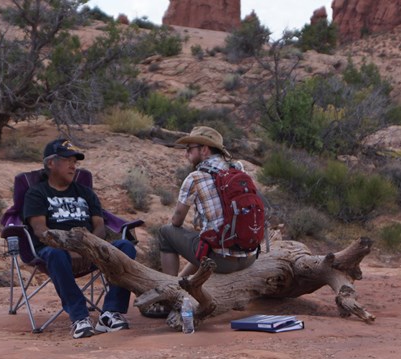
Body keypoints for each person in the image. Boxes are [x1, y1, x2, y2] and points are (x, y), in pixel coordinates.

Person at [23, 139, 136, 339]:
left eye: (75, 161)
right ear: (51, 163)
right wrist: (70, 249)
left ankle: (110, 313)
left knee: (125, 246)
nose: (73, 166)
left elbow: (100, 225)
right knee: (56, 254)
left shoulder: (85, 193)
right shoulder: (36, 193)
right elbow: (41, 230)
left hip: (91, 249)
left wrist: (89, 247)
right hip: (56, 253)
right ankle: (79, 317)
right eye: (68, 160)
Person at [160, 126, 258, 276]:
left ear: (204, 150)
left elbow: (176, 221)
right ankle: (180, 281)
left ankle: (170, 290)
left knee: (166, 232)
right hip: (250, 256)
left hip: (221, 262)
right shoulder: (238, 169)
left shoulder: (195, 177)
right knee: (204, 236)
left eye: (189, 149)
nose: (186, 154)